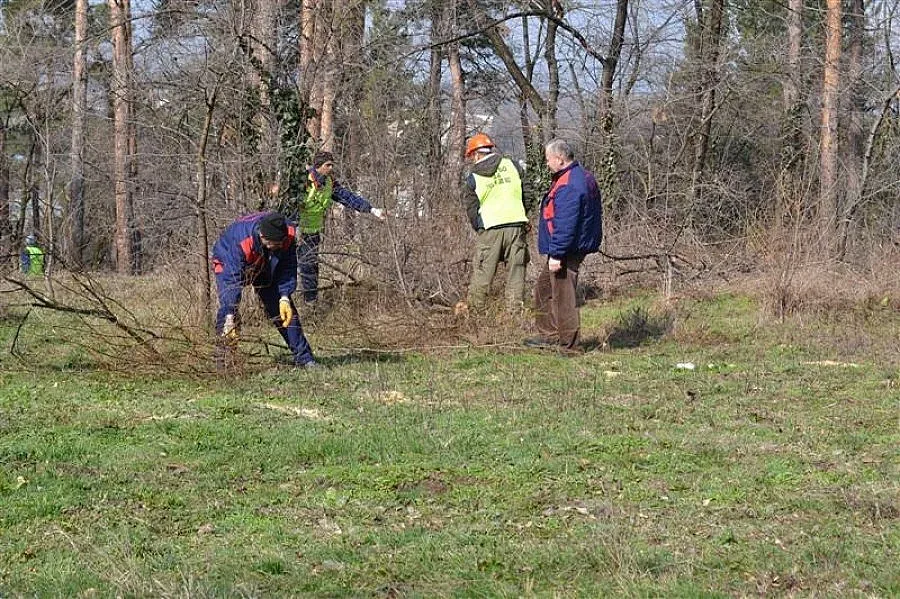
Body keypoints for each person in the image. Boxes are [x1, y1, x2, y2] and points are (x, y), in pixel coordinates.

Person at [211, 211, 317, 368]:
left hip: (263, 264)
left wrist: (284, 296)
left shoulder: (285, 237)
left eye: (280, 244)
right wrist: (229, 315)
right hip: (228, 260)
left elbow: (288, 268)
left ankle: (305, 359)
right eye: (274, 245)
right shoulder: (240, 241)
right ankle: (224, 363)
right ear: (262, 236)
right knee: (230, 314)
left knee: (284, 311)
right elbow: (230, 282)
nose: (279, 247)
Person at [526, 139, 602, 352]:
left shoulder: (569, 184)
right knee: (544, 289)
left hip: (567, 249)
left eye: (548, 159)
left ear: (559, 159)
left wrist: (557, 254)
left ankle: (569, 346)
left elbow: (566, 222)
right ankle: (550, 335)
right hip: (569, 246)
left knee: (563, 295)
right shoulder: (580, 176)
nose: (547, 163)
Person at [284, 151, 385, 304]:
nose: (331, 168)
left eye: (332, 165)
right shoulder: (303, 181)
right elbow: (290, 205)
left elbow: (348, 198)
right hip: (294, 232)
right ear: (318, 166)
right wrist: (293, 227)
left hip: (313, 233)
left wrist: (372, 210)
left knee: (310, 267)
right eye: (328, 165)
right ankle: (283, 300)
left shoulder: (330, 183)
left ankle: (310, 303)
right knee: (290, 265)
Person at [459, 132, 530, 312]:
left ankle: (475, 314)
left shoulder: (473, 177)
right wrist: (522, 213)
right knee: (517, 271)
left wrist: (480, 227)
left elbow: (471, 208)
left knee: (483, 273)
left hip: (490, 229)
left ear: (476, 154)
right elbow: (528, 191)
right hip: (516, 226)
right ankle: (514, 314)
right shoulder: (512, 165)